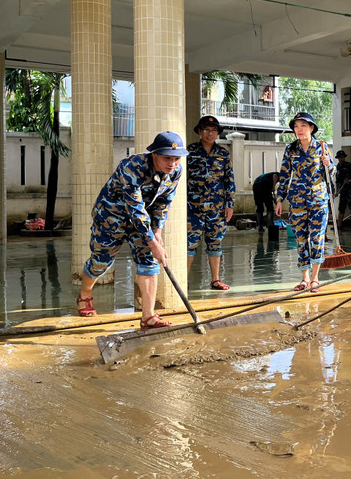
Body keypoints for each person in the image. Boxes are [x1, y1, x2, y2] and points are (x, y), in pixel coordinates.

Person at [75, 131, 188, 329]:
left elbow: (163, 202)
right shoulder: (133, 167)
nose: (172, 163)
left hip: (142, 222)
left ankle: (148, 316)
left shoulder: (175, 172)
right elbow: (134, 207)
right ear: (154, 154)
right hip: (112, 216)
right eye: (167, 158)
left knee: (149, 262)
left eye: (176, 159)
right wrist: (152, 241)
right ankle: (85, 293)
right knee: (101, 262)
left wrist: (158, 232)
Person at [275, 111, 335, 293]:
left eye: (303, 126)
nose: (299, 130)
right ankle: (304, 278)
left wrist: (329, 164)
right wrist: (279, 199)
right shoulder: (290, 149)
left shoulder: (322, 147)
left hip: (318, 200)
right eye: (296, 126)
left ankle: (316, 279)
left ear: (311, 128)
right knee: (301, 240)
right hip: (297, 201)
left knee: (317, 239)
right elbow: (284, 174)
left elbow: (333, 173)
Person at [185, 116, 235, 290]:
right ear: (199, 131)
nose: (210, 133)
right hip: (193, 207)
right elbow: (182, 178)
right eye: (206, 129)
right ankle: (184, 281)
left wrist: (230, 204)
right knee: (189, 244)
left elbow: (229, 180)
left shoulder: (223, 154)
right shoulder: (189, 152)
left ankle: (215, 280)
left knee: (215, 243)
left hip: (216, 208)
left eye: (213, 130)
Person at [335, 150, 351, 230]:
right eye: (339, 157)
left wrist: (349, 181)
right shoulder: (337, 167)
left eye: (342, 157)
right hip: (342, 191)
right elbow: (337, 181)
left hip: (350, 190)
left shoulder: (349, 165)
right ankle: (339, 225)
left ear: (344, 157)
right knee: (341, 207)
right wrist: (336, 191)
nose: (340, 159)